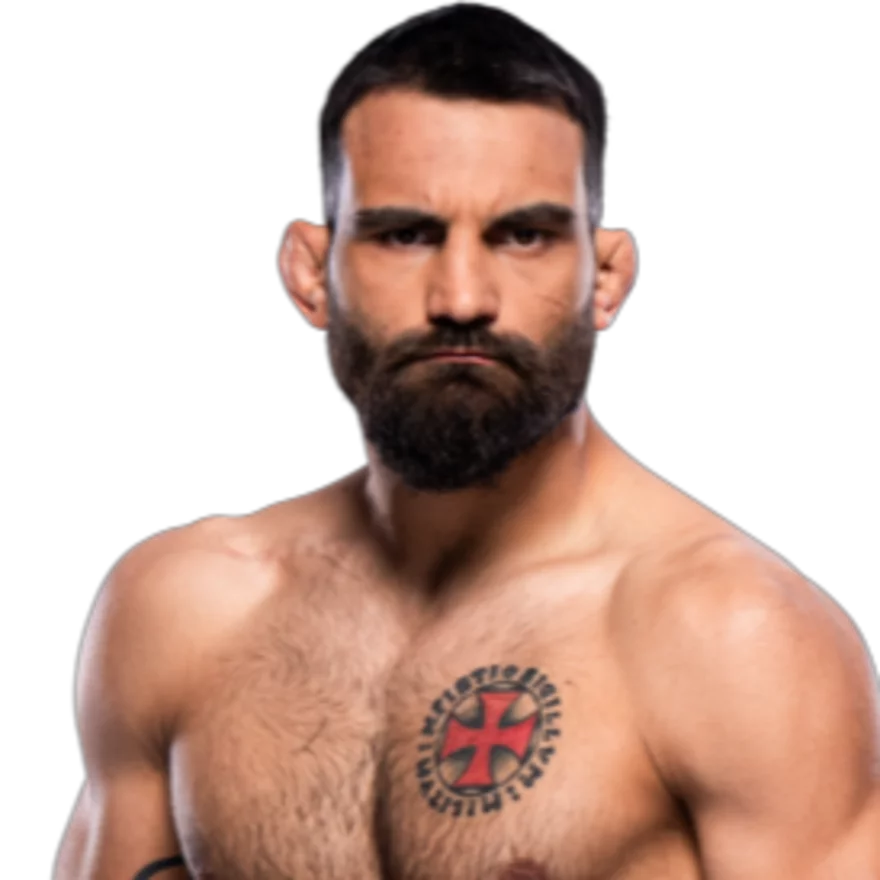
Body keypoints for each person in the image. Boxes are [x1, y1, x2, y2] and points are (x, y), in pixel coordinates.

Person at [53, 2, 879, 878]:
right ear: (311, 273)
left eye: (523, 236)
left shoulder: (731, 636)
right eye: (405, 235)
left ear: (605, 279)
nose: (461, 298)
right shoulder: (182, 612)